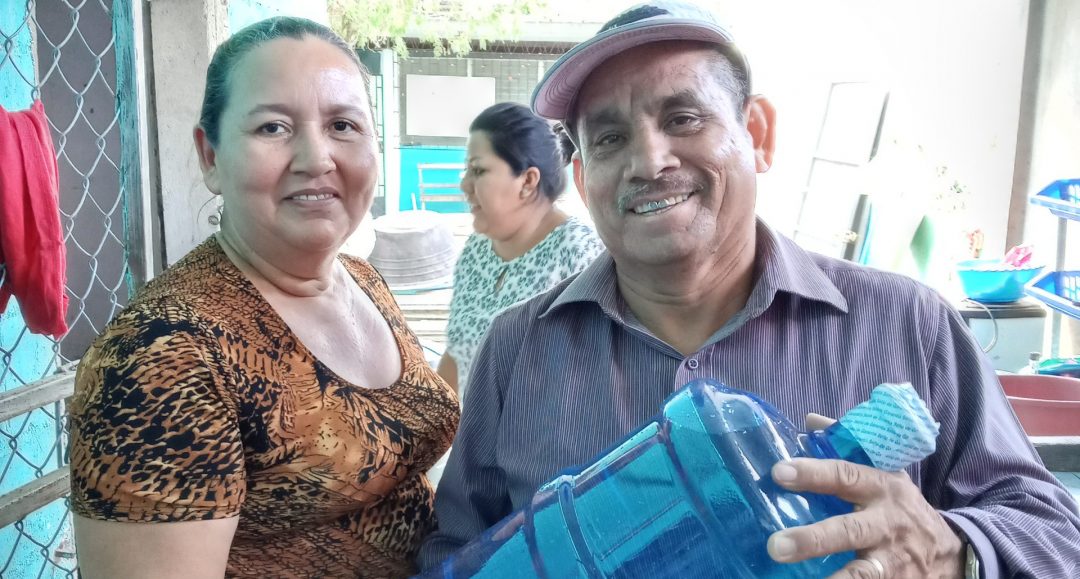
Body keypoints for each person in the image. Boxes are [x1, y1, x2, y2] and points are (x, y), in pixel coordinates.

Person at [419, 2, 1080, 577]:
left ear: (757, 134)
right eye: (612, 138)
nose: (649, 161)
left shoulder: (910, 324)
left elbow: (1056, 538)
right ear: (585, 177)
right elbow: (455, 549)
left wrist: (951, 550)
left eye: (683, 119)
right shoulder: (518, 347)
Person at [68, 17, 459, 579]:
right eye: (273, 127)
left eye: (343, 125)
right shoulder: (161, 356)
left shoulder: (361, 279)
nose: (316, 158)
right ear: (210, 156)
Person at [437, 102, 604, 401]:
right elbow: (455, 355)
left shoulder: (578, 252)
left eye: (478, 170)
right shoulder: (476, 250)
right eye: (467, 170)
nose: (464, 184)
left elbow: (595, 383)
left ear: (527, 181)